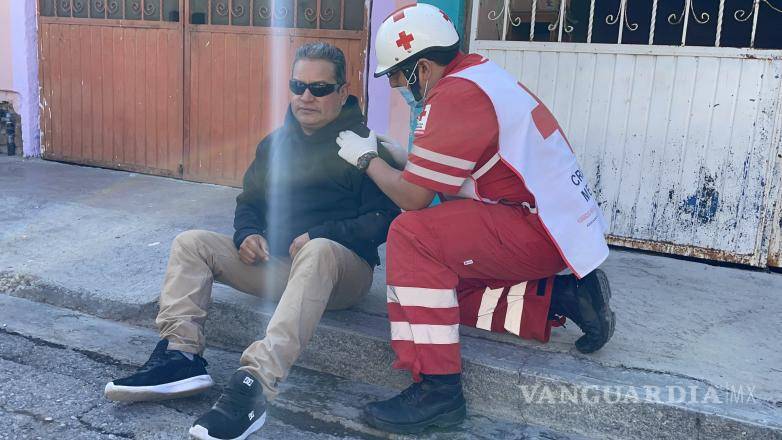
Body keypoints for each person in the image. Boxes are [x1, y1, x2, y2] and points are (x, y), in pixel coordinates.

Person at [335, 4, 615, 434]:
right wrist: (393, 152)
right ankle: (562, 298)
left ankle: (438, 391)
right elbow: (450, 168)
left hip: (535, 228)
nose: (394, 84)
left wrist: (367, 159)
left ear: (422, 68)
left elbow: (413, 196)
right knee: (435, 294)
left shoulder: (454, 95)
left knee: (411, 236)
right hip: (551, 225)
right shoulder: (478, 75)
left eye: (396, 74)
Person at [104, 42, 399, 440]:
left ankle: (253, 386)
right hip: (278, 265)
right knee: (192, 242)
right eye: (298, 85)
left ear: (342, 93)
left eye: (319, 88)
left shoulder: (363, 146)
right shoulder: (274, 145)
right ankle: (181, 356)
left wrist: (322, 233)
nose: (306, 96)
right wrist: (247, 234)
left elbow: (382, 221)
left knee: (319, 249)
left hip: (341, 274)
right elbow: (249, 203)